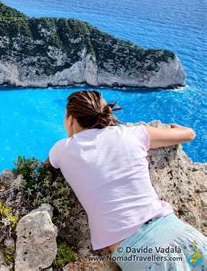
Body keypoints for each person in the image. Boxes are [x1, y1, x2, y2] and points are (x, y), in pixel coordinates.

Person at [47, 90, 206, 270]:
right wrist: (174, 128)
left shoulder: (62, 149)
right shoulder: (133, 134)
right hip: (180, 234)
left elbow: (46, 165)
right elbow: (189, 134)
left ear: (71, 119)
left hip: (143, 253)